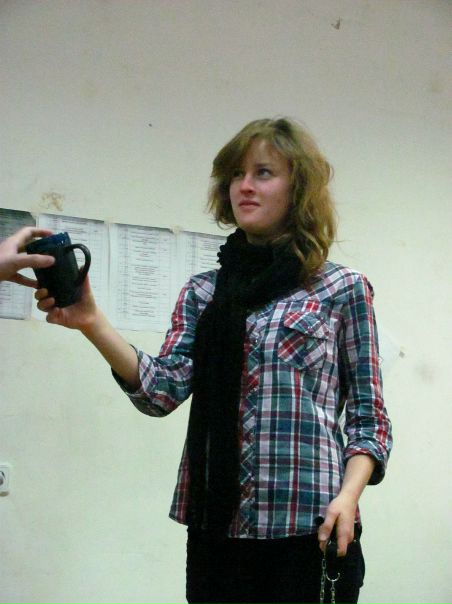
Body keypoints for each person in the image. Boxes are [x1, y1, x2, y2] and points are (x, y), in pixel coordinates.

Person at [35, 117, 392, 604]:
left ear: (299, 188)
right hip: (217, 530)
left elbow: (370, 418)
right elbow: (161, 391)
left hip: (311, 525)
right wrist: (92, 322)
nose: (244, 186)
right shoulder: (204, 292)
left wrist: (348, 498)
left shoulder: (341, 289)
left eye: (263, 172)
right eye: (235, 174)